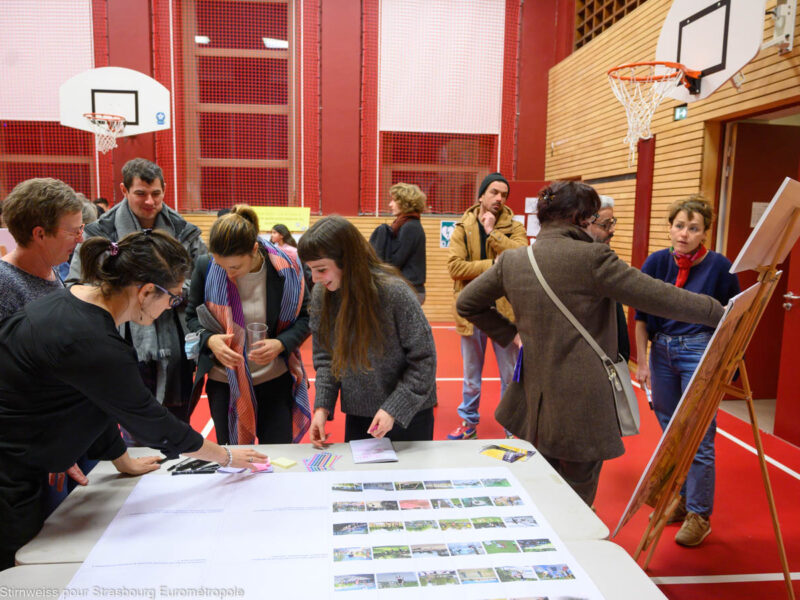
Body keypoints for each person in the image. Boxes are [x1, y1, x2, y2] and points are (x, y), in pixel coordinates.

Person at [0, 230, 267, 570]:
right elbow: (151, 421)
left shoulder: (76, 302)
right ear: (144, 292)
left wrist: (120, 458)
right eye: (171, 299)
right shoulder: (92, 341)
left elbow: (95, 398)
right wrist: (225, 455)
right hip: (11, 468)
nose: (170, 308)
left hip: (23, 454)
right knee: (18, 567)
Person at [456, 181, 725, 507]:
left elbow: (467, 303)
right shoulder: (593, 258)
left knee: (542, 484)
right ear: (579, 217)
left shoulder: (515, 260)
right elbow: (662, 297)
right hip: (581, 403)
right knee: (578, 492)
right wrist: (720, 312)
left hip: (532, 399)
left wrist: (509, 333)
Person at [69, 158, 207, 429]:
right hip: (121, 338)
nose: (150, 202)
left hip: (177, 342)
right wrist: (125, 296)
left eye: (156, 194)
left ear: (164, 190)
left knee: (176, 423)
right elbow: (76, 284)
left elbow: (203, 281)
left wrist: (166, 293)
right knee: (129, 419)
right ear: (124, 190)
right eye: (140, 194)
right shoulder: (100, 232)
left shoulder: (184, 230)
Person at [635, 195, 740, 547]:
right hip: (661, 350)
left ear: (704, 232)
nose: (684, 234)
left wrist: (725, 362)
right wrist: (643, 360)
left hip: (698, 350)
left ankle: (699, 513)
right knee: (671, 433)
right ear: (670, 227)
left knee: (699, 435)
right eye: (679, 226)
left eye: (693, 228)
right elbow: (640, 316)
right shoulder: (656, 262)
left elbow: (732, 317)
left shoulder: (721, 268)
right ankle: (679, 499)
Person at [298, 216, 437, 447]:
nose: (315, 279)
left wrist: (394, 408)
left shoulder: (395, 293)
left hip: (409, 414)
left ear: (347, 261)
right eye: (310, 270)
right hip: (360, 416)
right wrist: (322, 408)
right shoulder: (324, 295)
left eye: (321, 269)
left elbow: (424, 360)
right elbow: (326, 358)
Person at [186, 206, 311, 445]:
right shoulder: (206, 266)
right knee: (234, 462)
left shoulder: (286, 269)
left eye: (234, 267)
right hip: (224, 382)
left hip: (274, 380)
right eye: (221, 266)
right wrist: (210, 339)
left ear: (254, 250)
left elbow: (306, 317)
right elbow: (191, 317)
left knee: (278, 456)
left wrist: (280, 343)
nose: (227, 274)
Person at [447, 172, 527, 440]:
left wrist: (492, 232)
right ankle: (468, 425)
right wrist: (494, 266)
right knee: (471, 378)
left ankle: (511, 429)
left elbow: (520, 259)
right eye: (494, 192)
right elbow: (455, 267)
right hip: (473, 315)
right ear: (481, 195)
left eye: (503, 194)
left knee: (509, 378)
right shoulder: (462, 226)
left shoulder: (514, 228)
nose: (499, 198)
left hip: (504, 315)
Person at [0, 179, 83, 321]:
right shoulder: (5, 285)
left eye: (81, 229)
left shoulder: (49, 268)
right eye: (73, 232)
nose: (80, 239)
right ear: (40, 234)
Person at [586, 195, 630, 362]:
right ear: (586, 225)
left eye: (612, 223)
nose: (611, 230)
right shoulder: (571, 263)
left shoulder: (609, 258)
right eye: (605, 225)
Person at [368, 183, 427, 304]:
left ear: (405, 203)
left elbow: (396, 262)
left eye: (394, 200)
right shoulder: (406, 225)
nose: (390, 204)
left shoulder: (410, 227)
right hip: (408, 288)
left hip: (410, 289)